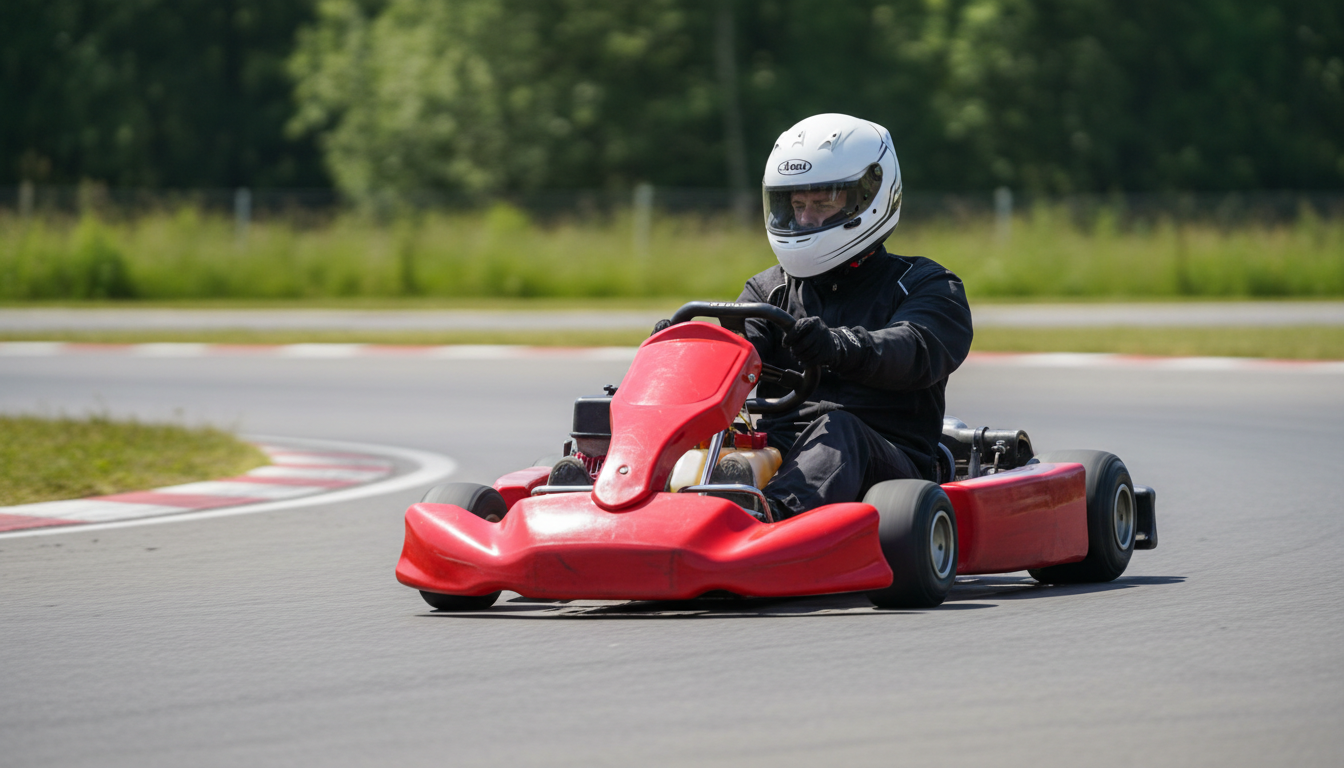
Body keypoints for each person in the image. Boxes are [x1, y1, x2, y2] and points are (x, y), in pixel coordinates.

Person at [712, 112, 973, 520]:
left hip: (886, 462)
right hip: (779, 449)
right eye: (797, 205)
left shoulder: (925, 284)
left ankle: (771, 520)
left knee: (839, 427)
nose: (806, 219)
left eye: (822, 202)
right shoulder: (770, 290)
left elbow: (916, 348)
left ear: (869, 196)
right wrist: (688, 354)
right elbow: (737, 351)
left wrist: (840, 346)